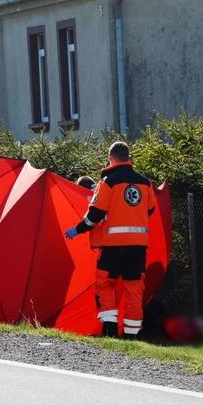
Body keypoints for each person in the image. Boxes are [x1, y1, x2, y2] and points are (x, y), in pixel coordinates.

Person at [65, 141, 157, 338]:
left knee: (105, 285)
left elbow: (95, 214)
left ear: (111, 158)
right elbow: (150, 209)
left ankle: (110, 330)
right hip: (138, 247)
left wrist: (77, 229)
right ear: (128, 157)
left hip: (112, 247)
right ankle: (132, 336)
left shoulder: (107, 182)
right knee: (134, 289)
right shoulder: (145, 183)